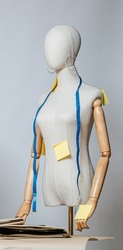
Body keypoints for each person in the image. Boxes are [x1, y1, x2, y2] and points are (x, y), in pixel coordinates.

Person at [16, 25, 111, 231]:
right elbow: (35, 155)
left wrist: (92, 200)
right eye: (47, 45)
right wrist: (26, 201)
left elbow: (105, 154)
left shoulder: (90, 95)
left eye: (57, 44)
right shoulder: (44, 99)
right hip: (50, 185)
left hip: (78, 183)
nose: (50, 50)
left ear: (71, 51)